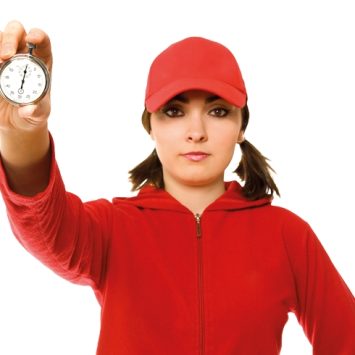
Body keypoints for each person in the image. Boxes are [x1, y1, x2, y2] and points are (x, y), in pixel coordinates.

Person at [0, 20, 354, 355]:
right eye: (174, 111)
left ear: (241, 126)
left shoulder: (287, 235)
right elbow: (42, 222)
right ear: (150, 127)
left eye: (217, 111)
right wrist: (21, 131)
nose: (196, 131)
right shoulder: (111, 230)